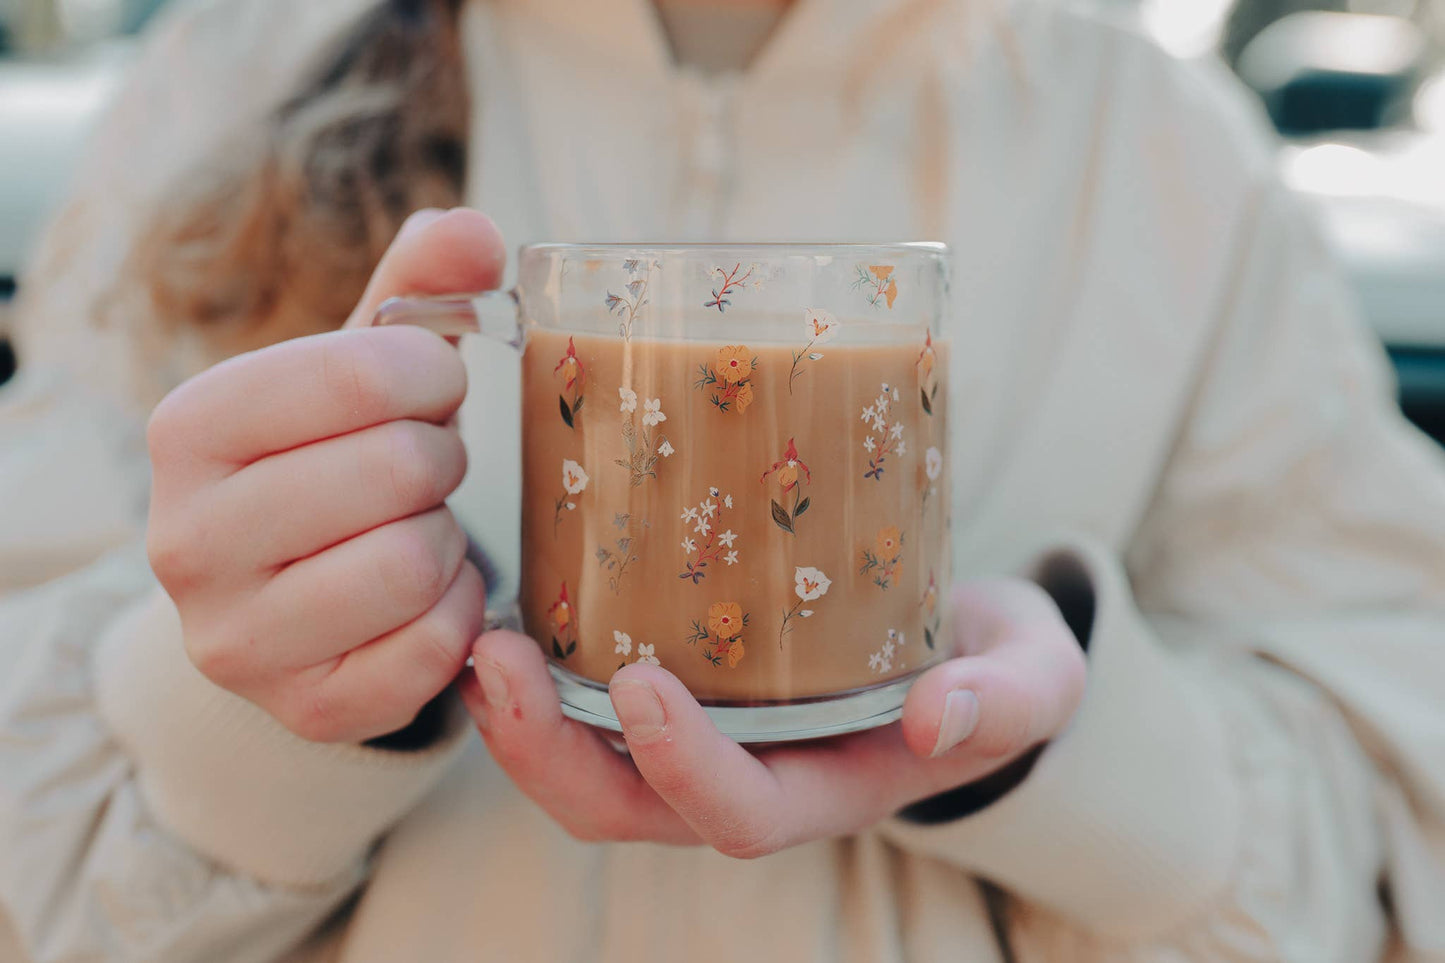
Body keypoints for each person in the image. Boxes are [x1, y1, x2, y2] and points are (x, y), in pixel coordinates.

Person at [2, 0, 1443, 959]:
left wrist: (1068, 761)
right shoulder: (229, 81)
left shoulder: (1160, 150)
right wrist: (253, 700)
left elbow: (1391, 849)